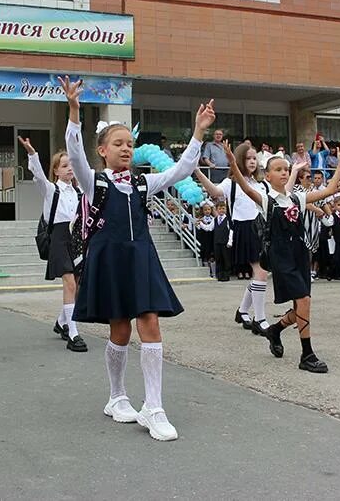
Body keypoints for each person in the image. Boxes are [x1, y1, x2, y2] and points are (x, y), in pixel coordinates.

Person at [61, 76, 214, 442]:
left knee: (150, 322)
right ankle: (117, 397)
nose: (126, 149)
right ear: (103, 150)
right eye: (118, 144)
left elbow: (179, 171)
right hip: (110, 259)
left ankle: (154, 407)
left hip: (141, 258)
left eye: (130, 143)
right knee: (120, 330)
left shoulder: (144, 183)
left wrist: (197, 132)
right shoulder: (92, 181)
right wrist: (73, 112)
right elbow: (76, 153)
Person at [224, 140, 340, 373]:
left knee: (303, 304)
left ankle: (275, 330)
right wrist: (233, 163)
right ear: (268, 176)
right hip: (280, 255)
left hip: (299, 252)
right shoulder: (266, 199)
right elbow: (247, 188)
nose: (283, 172)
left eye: (286, 169)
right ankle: (307, 354)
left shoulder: (296, 198)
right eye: (278, 169)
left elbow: (330, 190)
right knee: (304, 301)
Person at [194, 143, 272, 333]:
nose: (252, 161)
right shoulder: (232, 183)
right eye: (248, 158)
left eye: (255, 158)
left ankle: (243, 311)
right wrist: (196, 170)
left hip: (263, 229)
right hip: (245, 229)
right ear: (238, 160)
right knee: (261, 273)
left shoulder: (262, 184)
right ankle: (260, 319)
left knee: (260, 274)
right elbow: (214, 191)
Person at [21, 137, 87, 351]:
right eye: (65, 166)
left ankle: (62, 322)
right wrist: (33, 154)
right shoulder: (51, 190)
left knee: (77, 285)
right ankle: (73, 334)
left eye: (72, 165)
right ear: (56, 171)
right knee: (69, 282)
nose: (70, 169)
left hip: (77, 239)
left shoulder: (80, 192)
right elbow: (39, 176)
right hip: (59, 238)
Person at [195, 202, 216, 278]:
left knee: (212, 256)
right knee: (205, 255)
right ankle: (207, 272)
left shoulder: (214, 219)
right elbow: (199, 228)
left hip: (212, 239)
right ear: (202, 211)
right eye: (205, 210)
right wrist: (199, 223)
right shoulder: (200, 219)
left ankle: (213, 272)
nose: (207, 211)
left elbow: (211, 228)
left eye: (209, 209)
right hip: (204, 239)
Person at [212, 201, 232, 282]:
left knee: (226, 259)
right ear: (216, 210)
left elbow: (231, 230)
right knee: (218, 259)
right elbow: (209, 228)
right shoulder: (215, 219)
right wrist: (201, 224)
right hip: (217, 242)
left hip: (225, 243)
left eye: (223, 208)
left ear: (226, 209)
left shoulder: (228, 220)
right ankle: (219, 275)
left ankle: (226, 275)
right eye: (219, 209)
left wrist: (230, 241)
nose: (221, 210)